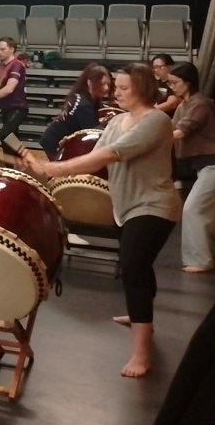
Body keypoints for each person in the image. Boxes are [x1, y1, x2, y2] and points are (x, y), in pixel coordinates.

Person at [18, 64, 180, 378]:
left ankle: (142, 353)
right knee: (140, 266)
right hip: (125, 206)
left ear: (143, 89)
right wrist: (50, 165)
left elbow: (110, 155)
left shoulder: (157, 121)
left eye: (122, 88)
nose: (114, 92)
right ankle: (140, 315)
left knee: (133, 267)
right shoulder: (118, 120)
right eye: (115, 87)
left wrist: (53, 170)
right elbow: (94, 154)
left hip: (155, 206)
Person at [166, 62, 215, 273]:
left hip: (212, 164)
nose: (172, 87)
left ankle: (200, 260)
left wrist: (150, 138)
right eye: (170, 83)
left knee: (193, 209)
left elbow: (181, 132)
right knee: (205, 212)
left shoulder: (200, 104)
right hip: (202, 166)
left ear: (188, 82)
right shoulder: (183, 105)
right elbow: (170, 129)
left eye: (175, 83)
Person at [39, 64, 112, 159]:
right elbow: (95, 133)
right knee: (62, 172)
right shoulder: (84, 104)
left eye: (108, 84)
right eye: (102, 84)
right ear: (90, 83)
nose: (106, 88)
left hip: (56, 140)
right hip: (54, 142)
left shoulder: (85, 97)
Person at [0, 37, 29, 155]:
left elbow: (9, 89)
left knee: (6, 135)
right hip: (6, 108)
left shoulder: (16, 65)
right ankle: (13, 165)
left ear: (12, 49)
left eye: (3, 49)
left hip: (17, 107)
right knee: (11, 138)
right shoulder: (2, 67)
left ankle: (24, 159)